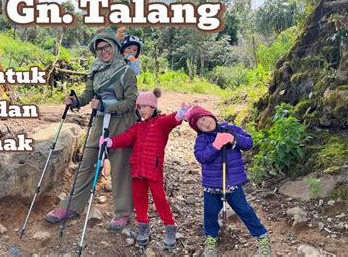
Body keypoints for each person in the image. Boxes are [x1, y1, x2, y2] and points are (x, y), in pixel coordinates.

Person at [45, 27, 138, 231]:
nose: (103, 51)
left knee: (121, 168)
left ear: (114, 46)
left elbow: (131, 102)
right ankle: (71, 207)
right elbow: (89, 94)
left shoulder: (126, 72)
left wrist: (107, 106)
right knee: (86, 164)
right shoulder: (95, 70)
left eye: (106, 47)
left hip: (122, 123)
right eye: (99, 49)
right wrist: (76, 101)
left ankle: (122, 213)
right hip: (98, 123)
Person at [100, 88, 190, 249]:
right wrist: (110, 141)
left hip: (153, 171)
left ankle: (170, 227)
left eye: (145, 107)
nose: (142, 110)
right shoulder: (137, 127)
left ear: (153, 107)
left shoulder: (160, 122)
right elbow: (126, 138)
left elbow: (172, 120)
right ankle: (143, 228)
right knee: (139, 199)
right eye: (140, 107)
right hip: (137, 170)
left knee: (159, 199)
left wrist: (180, 114)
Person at [187, 106, 272, 257]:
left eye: (204, 119)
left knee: (244, 210)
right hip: (211, 185)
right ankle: (211, 238)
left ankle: (262, 237)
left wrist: (233, 139)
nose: (205, 124)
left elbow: (248, 143)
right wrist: (215, 145)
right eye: (200, 124)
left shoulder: (230, 128)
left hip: (232, 182)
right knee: (210, 213)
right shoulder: (202, 139)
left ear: (210, 115)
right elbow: (201, 157)